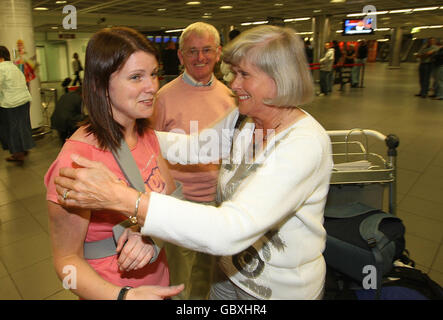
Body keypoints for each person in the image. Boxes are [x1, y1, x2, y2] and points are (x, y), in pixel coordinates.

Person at [55, 25, 333, 300]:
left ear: (279, 78)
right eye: (234, 73)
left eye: (244, 75)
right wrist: (127, 136)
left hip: (279, 291)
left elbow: (232, 228)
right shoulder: (243, 120)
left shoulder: (302, 145)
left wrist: (126, 200)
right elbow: (193, 147)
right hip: (228, 276)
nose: (233, 85)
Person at [44, 27, 184, 300]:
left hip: (158, 282)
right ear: (100, 85)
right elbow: (66, 261)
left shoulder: (145, 133)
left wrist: (149, 233)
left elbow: (171, 199)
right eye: (136, 77)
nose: (152, 87)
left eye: (154, 74)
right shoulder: (77, 161)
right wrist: (124, 296)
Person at [152, 21, 236, 300]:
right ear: (180, 56)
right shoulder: (162, 98)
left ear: (218, 53)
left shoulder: (231, 97)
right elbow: (151, 150)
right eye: (192, 51)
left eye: (206, 50)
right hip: (180, 205)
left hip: (218, 202)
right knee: (179, 280)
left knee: (209, 275)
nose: (200, 58)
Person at [0, 45, 35, 163]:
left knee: (11, 129)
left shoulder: (1, 68)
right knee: (23, 126)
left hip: (11, 103)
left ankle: (18, 154)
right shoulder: (14, 67)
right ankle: (24, 148)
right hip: (24, 101)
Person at [50, 77, 84, 142]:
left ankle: (65, 140)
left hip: (54, 120)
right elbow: (79, 113)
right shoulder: (78, 98)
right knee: (82, 118)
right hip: (66, 122)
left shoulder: (65, 95)